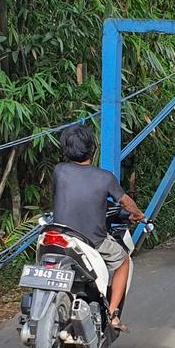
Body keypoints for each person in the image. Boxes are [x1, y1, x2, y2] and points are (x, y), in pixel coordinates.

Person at [51, 124, 145, 332]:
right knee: (123, 261)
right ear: (92, 149)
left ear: (66, 149)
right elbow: (126, 202)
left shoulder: (59, 171)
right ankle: (112, 314)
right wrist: (138, 214)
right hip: (91, 241)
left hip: (60, 236)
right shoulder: (105, 177)